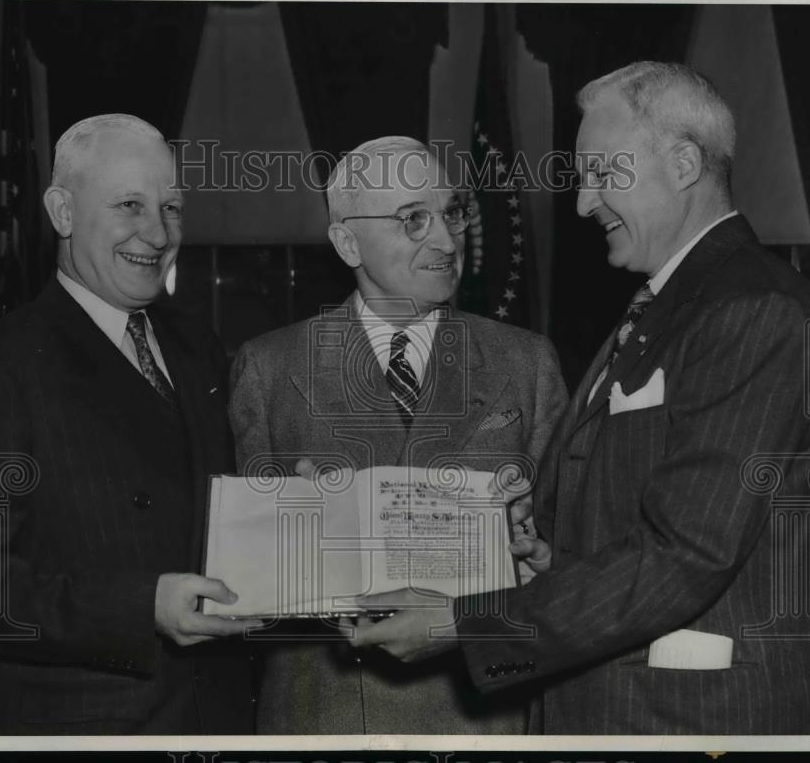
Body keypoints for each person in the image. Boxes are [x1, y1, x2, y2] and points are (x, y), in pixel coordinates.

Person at [345, 63, 810, 734]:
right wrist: (551, 553)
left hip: (697, 723)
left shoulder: (753, 308)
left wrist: (466, 623)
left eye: (605, 174)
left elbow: (689, 553)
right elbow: (645, 513)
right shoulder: (670, 304)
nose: (583, 203)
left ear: (685, 163)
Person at [0, 114, 259, 734]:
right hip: (83, 728)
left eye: (172, 207)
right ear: (62, 213)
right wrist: (139, 608)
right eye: (130, 204)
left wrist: (296, 494)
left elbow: (214, 501)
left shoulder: (195, 345)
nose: (157, 233)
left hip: (215, 718)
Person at [228, 136, 568, 734]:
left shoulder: (526, 362)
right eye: (413, 219)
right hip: (327, 719)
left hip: (487, 718)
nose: (445, 240)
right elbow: (249, 584)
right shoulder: (270, 367)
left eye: (451, 212)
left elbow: (568, 552)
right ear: (347, 241)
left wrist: (538, 555)